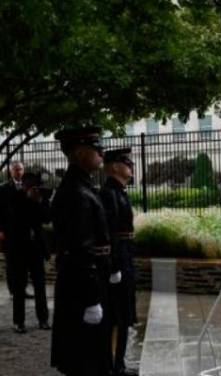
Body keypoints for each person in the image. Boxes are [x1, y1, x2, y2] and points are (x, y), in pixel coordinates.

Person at [50, 127, 112, 376]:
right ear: (78, 152)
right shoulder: (76, 192)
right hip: (81, 289)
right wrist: (91, 299)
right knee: (85, 359)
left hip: (86, 282)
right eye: (95, 147)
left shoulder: (83, 186)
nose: (101, 152)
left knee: (91, 356)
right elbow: (80, 250)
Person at [100, 148, 138, 376]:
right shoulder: (108, 194)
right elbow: (109, 232)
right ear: (114, 167)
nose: (131, 165)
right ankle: (113, 364)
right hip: (118, 260)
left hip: (125, 257)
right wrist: (114, 266)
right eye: (126, 162)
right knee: (115, 315)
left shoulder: (120, 192)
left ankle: (119, 363)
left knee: (123, 314)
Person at [4, 172, 51, 333]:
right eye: (32, 186)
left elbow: (47, 218)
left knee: (40, 286)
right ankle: (19, 322)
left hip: (36, 249)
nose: (35, 189)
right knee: (19, 287)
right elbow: (15, 217)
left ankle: (43, 319)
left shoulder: (40, 198)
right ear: (24, 185)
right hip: (18, 250)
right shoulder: (15, 197)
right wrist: (28, 199)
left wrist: (39, 201)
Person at [0, 161, 25, 297]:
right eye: (15, 170)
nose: (18, 172)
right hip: (9, 232)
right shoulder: (3, 188)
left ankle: (21, 289)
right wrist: (1, 230)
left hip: (24, 232)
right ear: (10, 171)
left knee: (22, 263)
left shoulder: (28, 187)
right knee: (11, 263)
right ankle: (13, 291)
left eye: (20, 169)